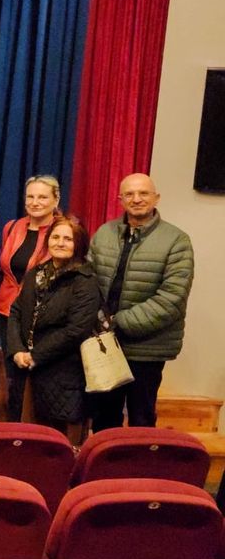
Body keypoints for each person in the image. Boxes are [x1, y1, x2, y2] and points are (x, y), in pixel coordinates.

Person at [88, 173, 194, 430]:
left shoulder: (176, 240)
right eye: (129, 194)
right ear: (120, 199)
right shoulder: (104, 233)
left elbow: (172, 298)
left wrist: (119, 322)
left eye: (143, 193)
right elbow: (87, 282)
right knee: (104, 419)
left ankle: (140, 459)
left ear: (156, 198)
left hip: (148, 347)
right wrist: (98, 320)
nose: (136, 199)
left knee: (141, 419)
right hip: (106, 345)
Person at [6, 214, 98, 438]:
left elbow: (76, 330)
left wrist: (36, 355)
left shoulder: (85, 280)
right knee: (27, 439)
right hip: (27, 368)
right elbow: (16, 311)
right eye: (55, 237)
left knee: (59, 442)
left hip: (64, 373)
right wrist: (17, 350)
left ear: (79, 244)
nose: (60, 243)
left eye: (68, 239)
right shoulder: (35, 273)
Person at [0, 175, 61, 421]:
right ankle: (14, 431)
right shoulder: (12, 227)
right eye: (30, 196)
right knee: (13, 378)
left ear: (56, 200)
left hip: (43, 316)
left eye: (42, 197)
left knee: (39, 380)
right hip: (8, 313)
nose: (35, 202)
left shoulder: (62, 230)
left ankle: (38, 434)